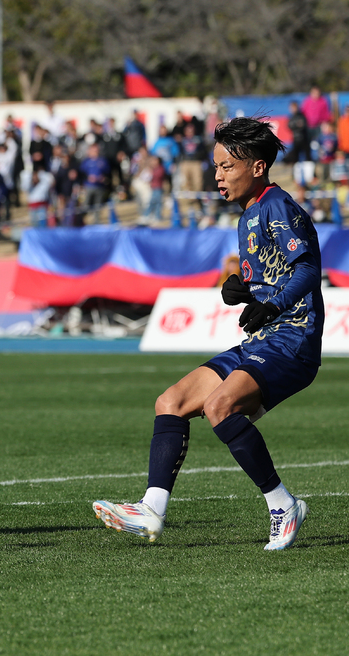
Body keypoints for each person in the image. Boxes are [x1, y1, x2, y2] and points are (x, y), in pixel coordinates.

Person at [93, 117, 324, 551]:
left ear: (257, 167)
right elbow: (270, 278)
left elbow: (309, 269)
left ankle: (283, 505)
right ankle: (151, 510)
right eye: (215, 166)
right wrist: (245, 291)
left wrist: (272, 304)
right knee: (171, 402)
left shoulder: (277, 206)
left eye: (226, 166)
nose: (217, 175)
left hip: (293, 341)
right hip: (263, 340)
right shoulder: (248, 215)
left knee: (219, 406)